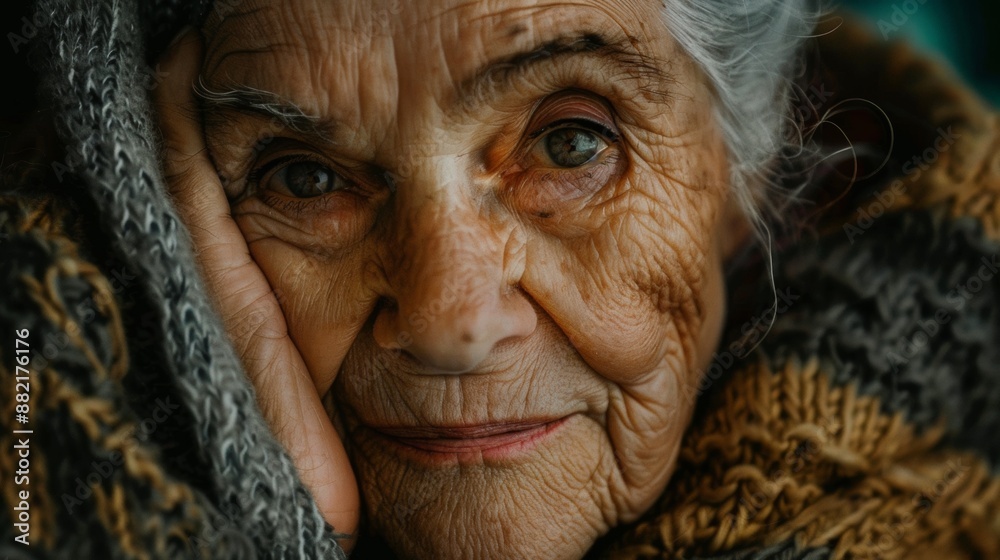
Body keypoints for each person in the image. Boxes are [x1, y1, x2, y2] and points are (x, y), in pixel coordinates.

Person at [1, 0, 999, 559]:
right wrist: (258, 514)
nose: (447, 318)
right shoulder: (26, 431)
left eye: (571, 144)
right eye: (303, 177)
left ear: (748, 179)